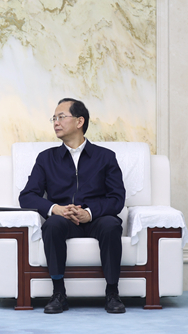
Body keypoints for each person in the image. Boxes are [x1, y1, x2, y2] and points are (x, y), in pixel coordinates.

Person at [19, 98, 126, 314]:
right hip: (64, 219)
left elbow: (117, 198)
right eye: (54, 118)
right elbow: (27, 196)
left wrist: (89, 212)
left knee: (111, 226)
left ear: (79, 121)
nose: (56, 122)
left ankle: (112, 292)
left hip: (97, 218)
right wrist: (55, 209)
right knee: (52, 225)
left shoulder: (105, 157)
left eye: (61, 117)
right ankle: (59, 293)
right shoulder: (46, 158)